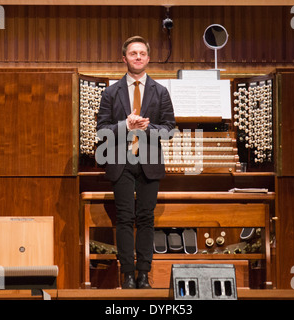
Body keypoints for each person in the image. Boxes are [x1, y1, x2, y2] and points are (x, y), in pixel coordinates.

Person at [96, 36, 176, 289]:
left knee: (145, 218)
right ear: (125, 59)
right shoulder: (111, 92)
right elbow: (101, 131)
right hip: (121, 162)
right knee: (124, 218)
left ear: (148, 58)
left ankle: (143, 274)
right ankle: (127, 275)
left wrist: (148, 127)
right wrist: (125, 125)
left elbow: (170, 130)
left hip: (149, 162)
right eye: (133, 53)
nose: (138, 57)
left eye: (142, 53)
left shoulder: (161, 92)